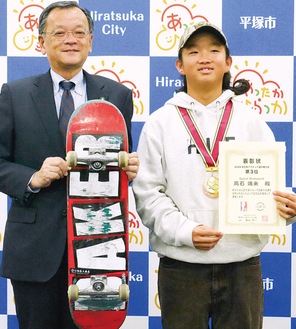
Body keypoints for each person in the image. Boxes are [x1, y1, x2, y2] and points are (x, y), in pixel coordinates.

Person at [132, 21, 296, 329]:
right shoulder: (159, 123)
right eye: (193, 51)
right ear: (180, 65)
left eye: (214, 50)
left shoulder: (252, 121)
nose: (204, 57)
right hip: (181, 266)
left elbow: (271, 189)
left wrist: (285, 210)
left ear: (228, 62)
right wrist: (185, 231)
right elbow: (148, 195)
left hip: (242, 266)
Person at [0, 1, 138, 328]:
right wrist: (33, 177)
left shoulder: (116, 95)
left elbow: (117, 170)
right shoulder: (14, 94)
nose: (70, 40)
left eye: (79, 32)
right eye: (59, 33)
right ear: (41, 41)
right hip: (35, 249)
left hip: (98, 243)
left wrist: (128, 172)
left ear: (90, 41)